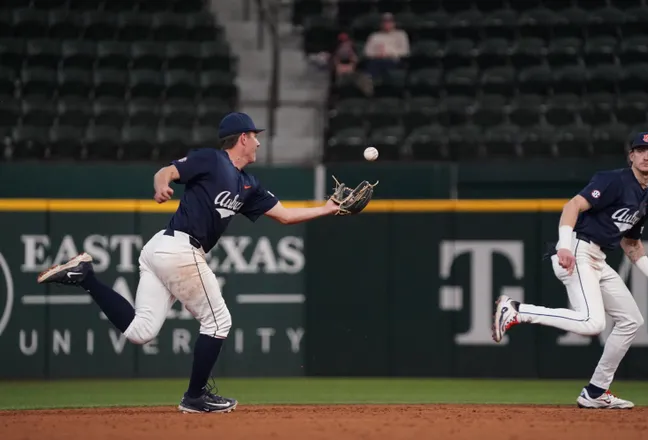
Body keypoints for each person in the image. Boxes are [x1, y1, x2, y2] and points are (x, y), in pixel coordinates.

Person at [37, 112, 341, 413]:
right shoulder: (212, 160)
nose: (259, 144)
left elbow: (286, 216)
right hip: (178, 249)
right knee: (219, 321)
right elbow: (166, 172)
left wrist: (328, 209)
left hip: (163, 250)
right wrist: (161, 186)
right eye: (256, 137)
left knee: (140, 332)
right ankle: (195, 397)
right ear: (243, 138)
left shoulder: (249, 185)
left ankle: (85, 276)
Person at [493, 132, 648, 409]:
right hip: (578, 251)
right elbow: (573, 205)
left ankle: (595, 392)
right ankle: (517, 310)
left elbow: (631, 243)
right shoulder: (614, 180)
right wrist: (565, 245)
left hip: (598, 259)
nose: (646, 156)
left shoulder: (647, 199)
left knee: (631, 320)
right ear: (630, 155)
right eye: (641, 150)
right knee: (592, 323)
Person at [362, 12, 409, 79]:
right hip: (376, 60)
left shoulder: (401, 35)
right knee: (372, 65)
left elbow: (405, 51)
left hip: (393, 60)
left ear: (394, 23)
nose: (387, 24)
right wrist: (377, 54)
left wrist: (389, 53)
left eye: (389, 22)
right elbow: (367, 52)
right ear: (381, 23)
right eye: (385, 22)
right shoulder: (374, 36)